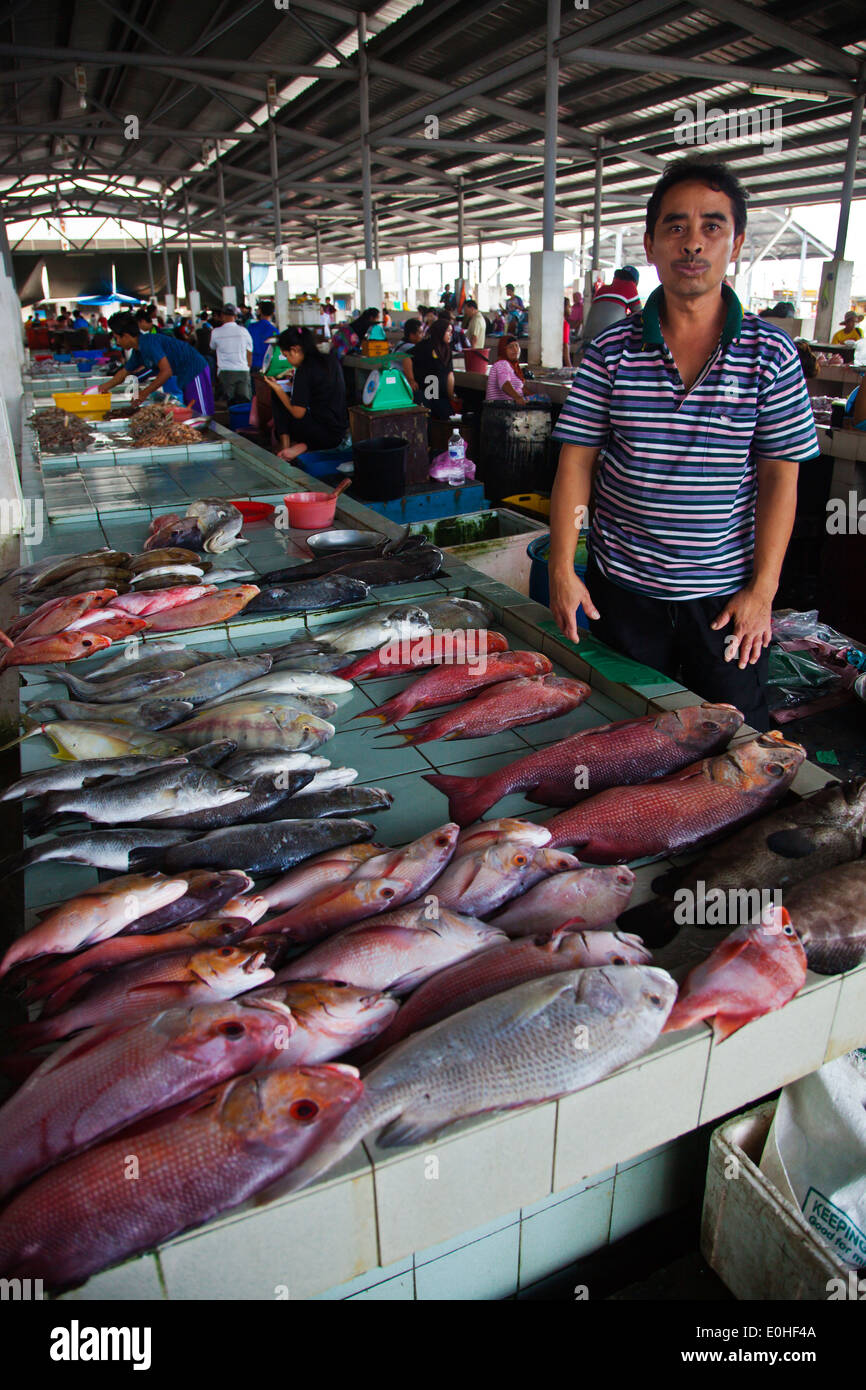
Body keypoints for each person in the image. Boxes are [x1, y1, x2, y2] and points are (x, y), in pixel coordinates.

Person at [548, 156, 819, 732]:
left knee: (732, 745)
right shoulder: (610, 351)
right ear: (651, 244)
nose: (692, 244)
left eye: (711, 227)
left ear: (736, 243)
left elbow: (780, 479)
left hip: (723, 602)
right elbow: (577, 465)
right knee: (625, 735)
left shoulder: (771, 354)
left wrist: (762, 592)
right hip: (621, 593)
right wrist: (563, 566)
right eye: (676, 227)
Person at [263, 326, 348, 462]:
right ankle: (301, 446)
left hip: (320, 435)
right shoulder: (330, 360)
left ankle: (286, 448)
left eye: (286, 356)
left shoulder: (304, 369)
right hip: (339, 431)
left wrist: (278, 389)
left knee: (278, 396)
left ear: (295, 350)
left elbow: (298, 413)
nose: (288, 360)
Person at [105, 311, 214, 413]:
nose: (117, 342)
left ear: (126, 336)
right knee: (190, 410)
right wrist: (102, 388)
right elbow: (124, 373)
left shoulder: (149, 343)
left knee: (200, 412)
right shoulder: (138, 351)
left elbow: (166, 372)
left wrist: (144, 393)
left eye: (117, 338)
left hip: (195, 370)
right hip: (183, 375)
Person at [412, 317, 455, 419]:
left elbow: (450, 375)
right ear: (440, 331)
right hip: (424, 395)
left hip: (441, 396)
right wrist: (410, 379)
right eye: (448, 331)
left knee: (446, 421)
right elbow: (407, 357)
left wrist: (451, 396)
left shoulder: (446, 350)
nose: (450, 334)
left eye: (451, 331)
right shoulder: (424, 346)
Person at [209, 303, 253, 404]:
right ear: (235, 316)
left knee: (228, 405)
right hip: (243, 371)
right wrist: (247, 368)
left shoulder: (215, 332)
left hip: (225, 371)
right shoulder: (244, 331)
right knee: (244, 404)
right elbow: (249, 352)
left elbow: (212, 347)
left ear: (222, 316)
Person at [485, 335, 532, 405]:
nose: (515, 350)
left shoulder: (513, 367)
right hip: (500, 409)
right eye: (510, 347)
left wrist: (533, 396)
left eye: (517, 346)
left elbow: (521, 388)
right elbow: (504, 383)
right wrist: (517, 398)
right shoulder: (502, 363)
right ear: (503, 350)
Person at [247, 301, 276, 372]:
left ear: (260, 311)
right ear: (273, 313)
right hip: (268, 366)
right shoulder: (274, 331)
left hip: (252, 364)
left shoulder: (250, 327)